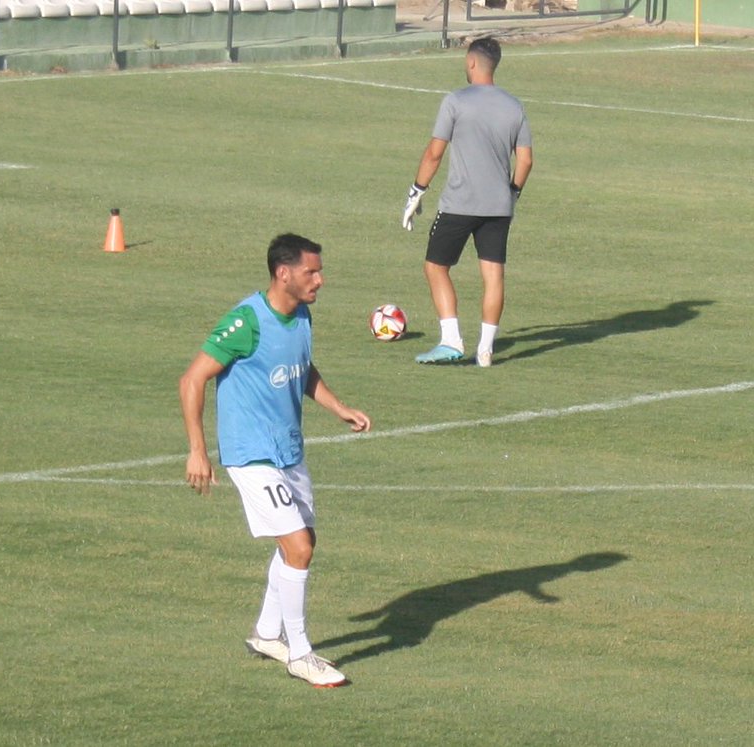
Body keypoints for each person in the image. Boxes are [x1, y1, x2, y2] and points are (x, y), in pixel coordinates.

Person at [178, 233, 372, 688]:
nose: (320, 280)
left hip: (288, 449)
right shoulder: (246, 321)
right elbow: (191, 380)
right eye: (311, 272)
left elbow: (301, 367)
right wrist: (197, 450)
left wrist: (338, 407)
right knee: (299, 546)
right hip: (251, 454)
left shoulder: (301, 314)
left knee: (302, 542)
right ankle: (300, 654)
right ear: (283, 273)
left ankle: (267, 634)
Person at [402, 35, 534, 368]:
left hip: (459, 204)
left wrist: (417, 191)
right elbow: (526, 160)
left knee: (436, 267)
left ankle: (451, 340)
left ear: (472, 62)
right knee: (493, 275)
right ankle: (485, 350)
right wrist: (512, 193)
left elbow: (434, 154)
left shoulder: (455, 101)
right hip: (499, 207)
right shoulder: (514, 106)